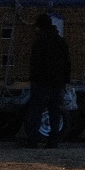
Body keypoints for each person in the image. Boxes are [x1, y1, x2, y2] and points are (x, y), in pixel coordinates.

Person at [21, 12, 70, 149]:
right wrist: (65, 81)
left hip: (41, 83)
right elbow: (67, 63)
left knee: (36, 113)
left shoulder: (40, 41)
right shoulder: (61, 41)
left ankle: (33, 140)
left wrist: (33, 79)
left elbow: (34, 62)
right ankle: (53, 140)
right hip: (57, 83)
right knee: (54, 113)